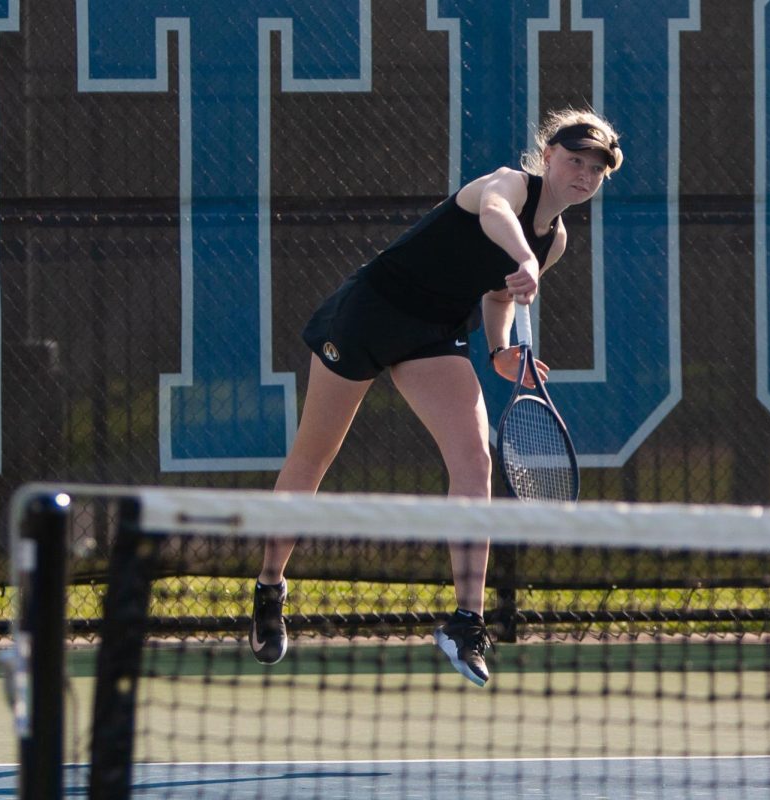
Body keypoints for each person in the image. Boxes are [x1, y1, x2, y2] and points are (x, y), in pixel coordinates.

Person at [250, 108, 624, 687]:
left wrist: (501, 351)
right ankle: (271, 584)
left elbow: (499, 299)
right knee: (312, 459)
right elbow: (498, 215)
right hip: (366, 315)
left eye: (595, 167)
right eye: (574, 160)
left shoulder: (556, 242)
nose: (583, 173)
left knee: (475, 460)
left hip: (434, 334)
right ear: (548, 156)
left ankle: (466, 621)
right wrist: (523, 257)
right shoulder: (504, 185)